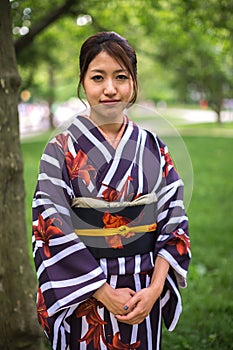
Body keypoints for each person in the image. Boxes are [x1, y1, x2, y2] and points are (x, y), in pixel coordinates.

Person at [32, 31, 191, 350]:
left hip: (143, 290)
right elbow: (50, 228)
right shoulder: (60, 150)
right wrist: (103, 291)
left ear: (133, 81)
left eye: (121, 76)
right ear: (82, 82)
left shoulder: (152, 147)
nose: (109, 88)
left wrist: (156, 289)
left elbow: (174, 219)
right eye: (98, 77)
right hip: (84, 294)